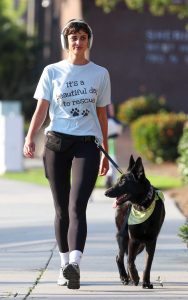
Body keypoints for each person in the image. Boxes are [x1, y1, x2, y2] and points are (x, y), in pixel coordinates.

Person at [23, 19, 111, 290]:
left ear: (88, 41)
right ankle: (63, 265)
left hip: (87, 143)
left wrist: (105, 150)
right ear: (66, 42)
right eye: (73, 37)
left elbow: (102, 113)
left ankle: (75, 264)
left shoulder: (100, 74)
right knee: (61, 208)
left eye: (83, 37)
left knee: (77, 206)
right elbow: (42, 108)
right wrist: (30, 136)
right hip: (57, 142)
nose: (78, 42)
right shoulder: (52, 71)